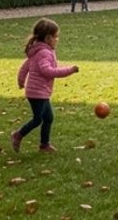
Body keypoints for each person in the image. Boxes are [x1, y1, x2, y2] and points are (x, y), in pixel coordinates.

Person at [11, 18, 79, 153]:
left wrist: (21, 80)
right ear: (48, 38)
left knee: (48, 118)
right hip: (37, 93)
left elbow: (25, 66)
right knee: (38, 119)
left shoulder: (38, 50)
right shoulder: (44, 53)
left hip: (39, 92)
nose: (57, 40)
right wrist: (69, 70)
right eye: (56, 37)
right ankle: (18, 135)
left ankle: (44, 145)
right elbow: (47, 71)